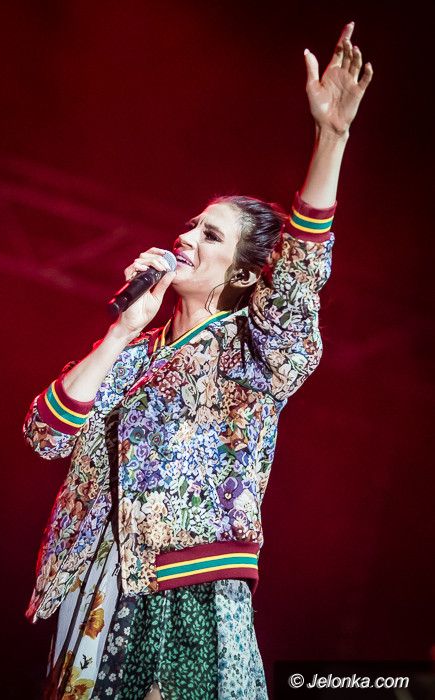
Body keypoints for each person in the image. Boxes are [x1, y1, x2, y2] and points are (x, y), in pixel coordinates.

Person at [23, 22, 373, 700]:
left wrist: (330, 137)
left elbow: (301, 271)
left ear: (241, 274)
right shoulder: (133, 350)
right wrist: (120, 331)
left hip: (187, 587)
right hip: (93, 586)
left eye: (209, 235)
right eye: (190, 224)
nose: (185, 237)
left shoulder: (256, 349)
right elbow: (44, 433)